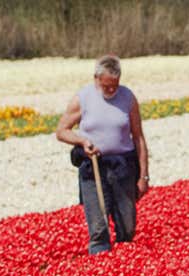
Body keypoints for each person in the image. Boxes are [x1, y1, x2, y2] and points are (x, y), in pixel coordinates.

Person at [56, 55, 149, 254]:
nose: (111, 90)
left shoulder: (128, 98)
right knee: (99, 228)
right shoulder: (82, 98)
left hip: (123, 166)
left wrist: (143, 176)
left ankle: (125, 264)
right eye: (107, 86)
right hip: (94, 167)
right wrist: (82, 141)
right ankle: (101, 268)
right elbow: (61, 131)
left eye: (115, 85)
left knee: (127, 224)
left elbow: (138, 137)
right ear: (96, 78)